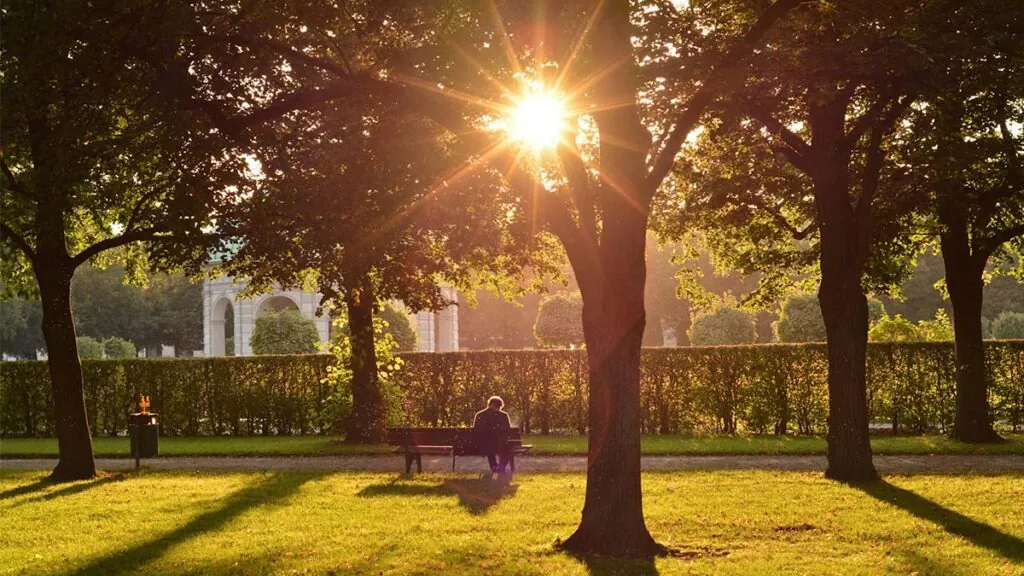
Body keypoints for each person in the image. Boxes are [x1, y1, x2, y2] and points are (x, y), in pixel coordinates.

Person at [472, 395, 512, 474]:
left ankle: (495, 466)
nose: (498, 409)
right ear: (492, 405)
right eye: (497, 406)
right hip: (496, 444)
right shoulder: (503, 415)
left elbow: (475, 431)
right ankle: (501, 466)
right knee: (502, 445)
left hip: (483, 445)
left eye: (499, 407)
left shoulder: (479, 414)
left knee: (489, 443)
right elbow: (509, 430)